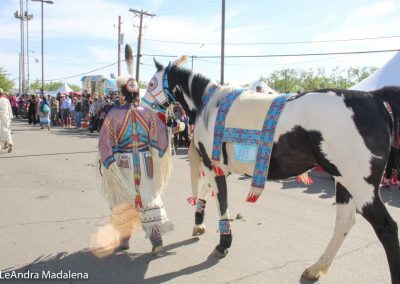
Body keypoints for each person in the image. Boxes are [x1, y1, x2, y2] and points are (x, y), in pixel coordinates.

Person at [97, 77, 172, 254]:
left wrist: (108, 162)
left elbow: (104, 140)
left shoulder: (114, 114)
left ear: (122, 95)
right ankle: (156, 238)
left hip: (123, 164)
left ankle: (124, 239)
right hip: (146, 164)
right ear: (138, 94)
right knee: (149, 197)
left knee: (123, 198)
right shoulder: (148, 112)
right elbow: (161, 135)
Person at [0, 88, 14, 152]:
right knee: (7, 130)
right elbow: (9, 109)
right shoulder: (6, 100)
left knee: (1, 132)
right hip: (6, 117)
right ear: (2, 94)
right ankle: (10, 142)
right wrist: (10, 118)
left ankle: (1, 145)